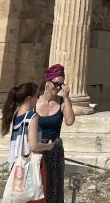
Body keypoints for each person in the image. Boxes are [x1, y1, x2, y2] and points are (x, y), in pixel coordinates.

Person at [37, 63, 76, 203]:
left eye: (61, 84)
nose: (58, 87)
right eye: (56, 84)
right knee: (35, 187)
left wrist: (66, 97)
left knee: (54, 189)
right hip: (36, 149)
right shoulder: (35, 100)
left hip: (55, 150)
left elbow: (70, 121)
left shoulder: (61, 102)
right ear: (48, 81)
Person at [0, 82, 53, 166]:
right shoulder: (32, 117)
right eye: (37, 95)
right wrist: (49, 146)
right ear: (29, 98)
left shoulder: (16, 114)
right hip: (27, 164)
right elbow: (33, 146)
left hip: (15, 163)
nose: (38, 98)